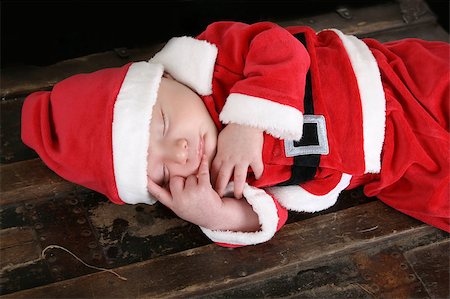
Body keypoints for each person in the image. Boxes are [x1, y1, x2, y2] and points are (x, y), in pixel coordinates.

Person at [21, 21, 449, 247]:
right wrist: (215, 215)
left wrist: (249, 121)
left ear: (164, 81)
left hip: (396, 81)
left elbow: (280, 44)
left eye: (165, 125)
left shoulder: (213, 60)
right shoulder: (211, 180)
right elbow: (271, 215)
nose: (182, 152)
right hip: (394, 167)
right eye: (163, 171)